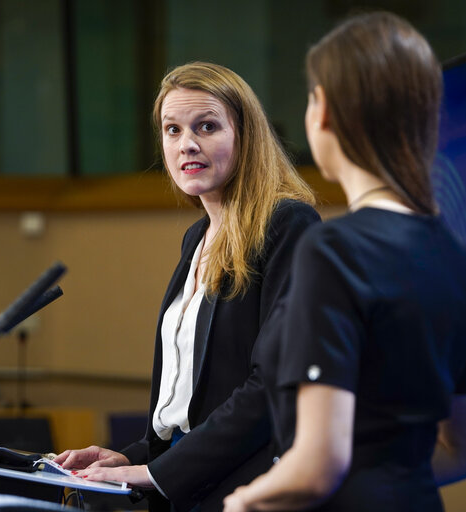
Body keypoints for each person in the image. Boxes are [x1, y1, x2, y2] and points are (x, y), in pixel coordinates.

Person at [223, 11, 466, 512]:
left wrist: (241, 503)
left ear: (321, 109)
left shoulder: (334, 251)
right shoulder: (456, 258)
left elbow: (318, 466)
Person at [54, 61, 320, 511]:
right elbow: (188, 410)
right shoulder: (196, 238)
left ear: (246, 135)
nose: (187, 144)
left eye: (207, 126)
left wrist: (155, 474)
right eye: (172, 130)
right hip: (192, 483)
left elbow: (272, 386)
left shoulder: (286, 223)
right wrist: (131, 456)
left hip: (246, 487)